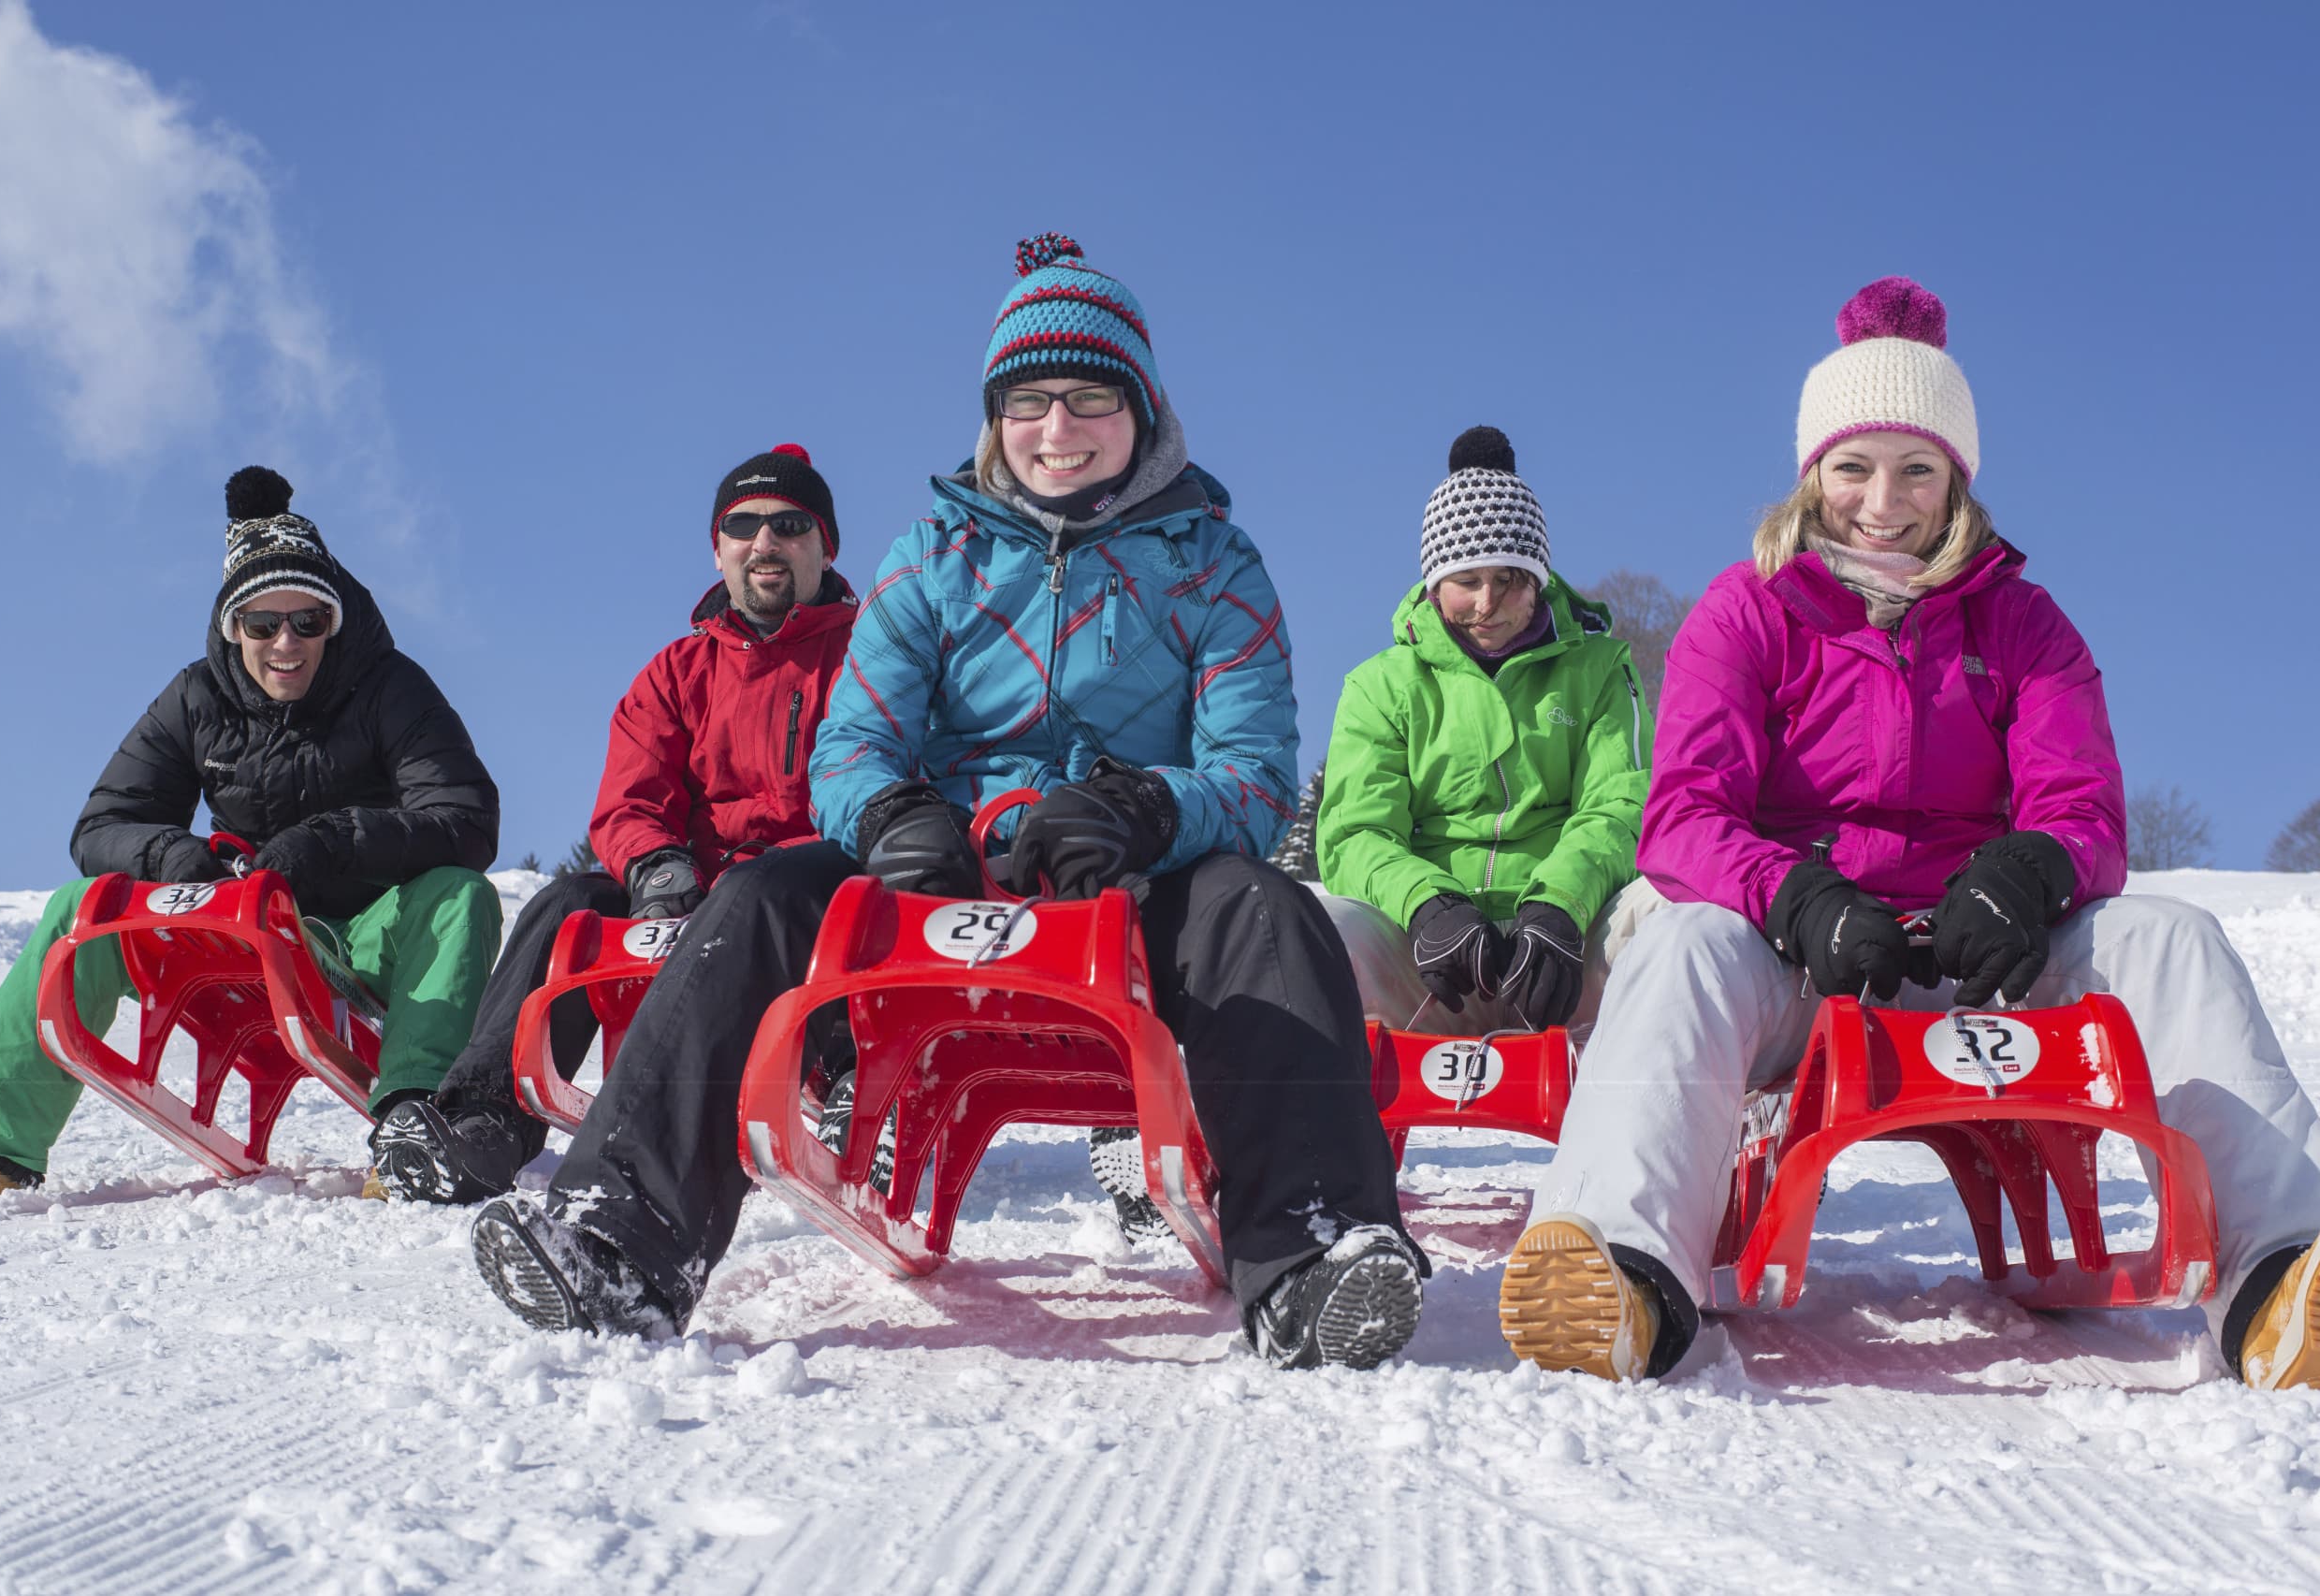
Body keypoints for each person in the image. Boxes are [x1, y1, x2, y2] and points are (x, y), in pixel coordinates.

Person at [468, 235, 1426, 1371]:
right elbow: (856, 735)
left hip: (1133, 870)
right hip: (951, 848)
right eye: (1029, 401)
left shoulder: (1213, 561)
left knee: (1266, 912)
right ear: (993, 416)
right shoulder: (938, 550)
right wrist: (888, 816)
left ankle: (1313, 1249)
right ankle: (620, 1236)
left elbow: (1254, 771)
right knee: (768, 896)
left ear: (1144, 410)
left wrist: (1147, 812)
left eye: (1089, 399)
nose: (1058, 431)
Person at [1501, 278, 2320, 1388]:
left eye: (1916, 469)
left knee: (2172, 937)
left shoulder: (2022, 623)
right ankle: (1622, 1269)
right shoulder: (1746, 612)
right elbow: (1684, 816)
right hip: (1804, 957)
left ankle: (2282, 1270)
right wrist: (1796, 896)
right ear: (1812, 474)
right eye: (1854, 467)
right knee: (1682, 948)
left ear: (1957, 480)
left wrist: (2027, 873)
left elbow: (2082, 804)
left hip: (1989, 954)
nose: (1883, 502)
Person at [0, 469, 501, 1200]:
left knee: (459, 895)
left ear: (335, 622)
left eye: (308, 622)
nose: (285, 642)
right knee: (81, 908)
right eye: (263, 623)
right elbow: (103, 824)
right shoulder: (197, 695)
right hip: (241, 925)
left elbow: (466, 818)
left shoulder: (392, 687)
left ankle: (416, 1136)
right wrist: (173, 854)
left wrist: (331, 841)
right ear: (234, 628)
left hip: (363, 935)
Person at [370, 446, 858, 1203]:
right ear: (718, 546)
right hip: (694, 889)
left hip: (809, 893)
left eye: (790, 525)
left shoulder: (865, 656)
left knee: (842, 897)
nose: (765, 541)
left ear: (825, 545)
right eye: (744, 524)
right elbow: (630, 798)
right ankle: (482, 1122)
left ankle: (855, 1088)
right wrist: (659, 869)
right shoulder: (675, 672)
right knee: (570, 904)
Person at [1314, 424, 1654, 1043]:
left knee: (1670, 910)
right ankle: (1314, 1134)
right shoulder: (1380, 685)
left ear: (1539, 580)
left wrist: (1560, 905)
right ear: (1432, 581)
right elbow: (1355, 831)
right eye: (1466, 581)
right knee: (1312, 929)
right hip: (1431, 959)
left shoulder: (1599, 669)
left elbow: (1622, 804)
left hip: (1564, 951)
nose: (1487, 603)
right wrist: (1429, 905)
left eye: (1510, 580)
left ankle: (1666, 1119)